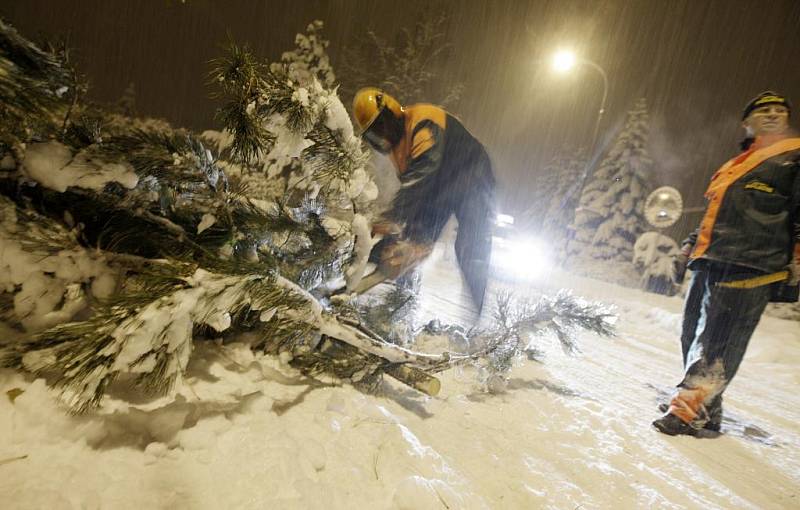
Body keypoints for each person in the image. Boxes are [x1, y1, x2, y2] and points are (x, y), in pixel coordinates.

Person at [653, 91, 800, 436]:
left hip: (752, 263)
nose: (773, 115)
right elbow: (714, 215)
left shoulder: (793, 159)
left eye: (780, 110)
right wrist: (688, 248)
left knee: (719, 340)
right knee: (692, 334)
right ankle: (708, 405)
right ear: (746, 122)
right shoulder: (736, 166)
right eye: (764, 110)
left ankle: (690, 411)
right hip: (713, 259)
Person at [351, 87, 495, 312]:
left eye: (384, 126)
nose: (384, 135)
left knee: (470, 246)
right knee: (409, 243)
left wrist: (393, 217)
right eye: (376, 134)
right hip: (440, 186)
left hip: (473, 174)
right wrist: (402, 237)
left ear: (393, 112)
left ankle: (478, 322)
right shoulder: (398, 153)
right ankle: (401, 307)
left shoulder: (422, 120)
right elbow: (416, 195)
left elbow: (423, 173)